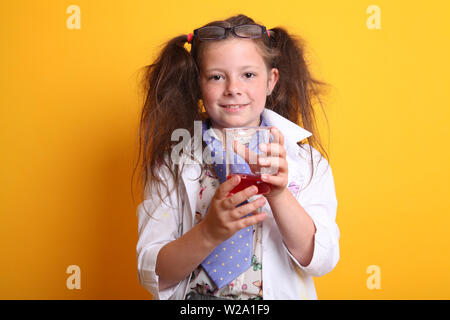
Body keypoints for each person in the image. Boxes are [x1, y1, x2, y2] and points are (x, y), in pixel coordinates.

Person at [135, 14, 340, 300]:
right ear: (197, 84)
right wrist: (209, 232)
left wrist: (280, 195)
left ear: (271, 81)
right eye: (217, 76)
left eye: (248, 75)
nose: (233, 88)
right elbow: (154, 272)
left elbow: (320, 259)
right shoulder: (171, 165)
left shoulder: (306, 162)